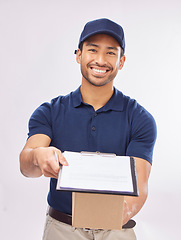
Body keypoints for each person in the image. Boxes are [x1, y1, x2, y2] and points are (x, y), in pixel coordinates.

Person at [19, 18, 157, 240]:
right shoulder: (49, 112)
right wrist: (38, 155)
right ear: (78, 55)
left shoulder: (139, 118)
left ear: (121, 61)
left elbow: (138, 187)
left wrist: (105, 217)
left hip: (117, 229)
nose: (100, 60)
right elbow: (27, 167)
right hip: (62, 229)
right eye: (92, 50)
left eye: (111, 53)